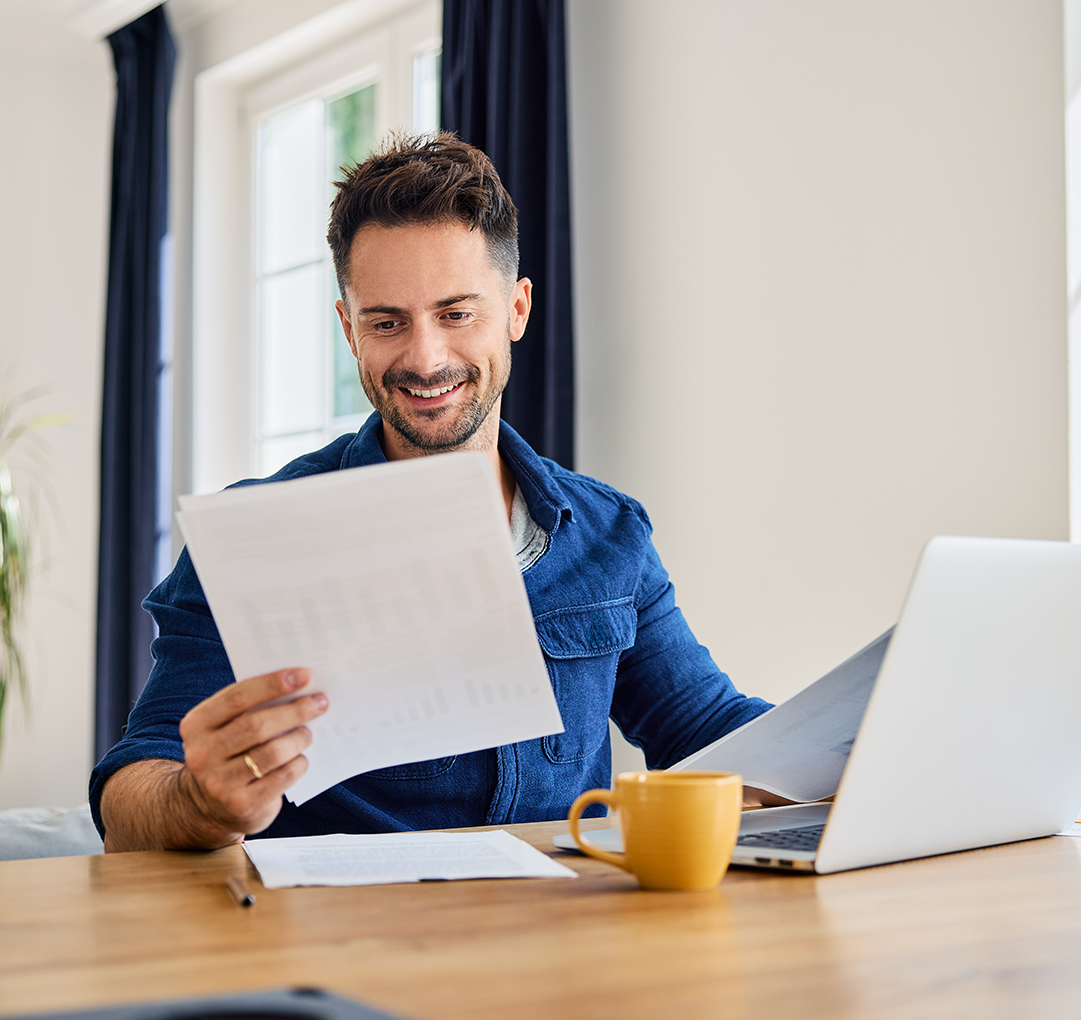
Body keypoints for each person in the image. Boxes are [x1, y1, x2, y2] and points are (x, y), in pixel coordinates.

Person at [91, 132, 773, 852]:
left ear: (516, 310)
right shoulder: (255, 539)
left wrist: (841, 750)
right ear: (349, 330)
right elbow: (130, 800)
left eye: (456, 314)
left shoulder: (608, 532)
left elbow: (707, 732)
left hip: (560, 918)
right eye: (387, 322)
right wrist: (199, 802)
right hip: (345, 921)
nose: (424, 357)